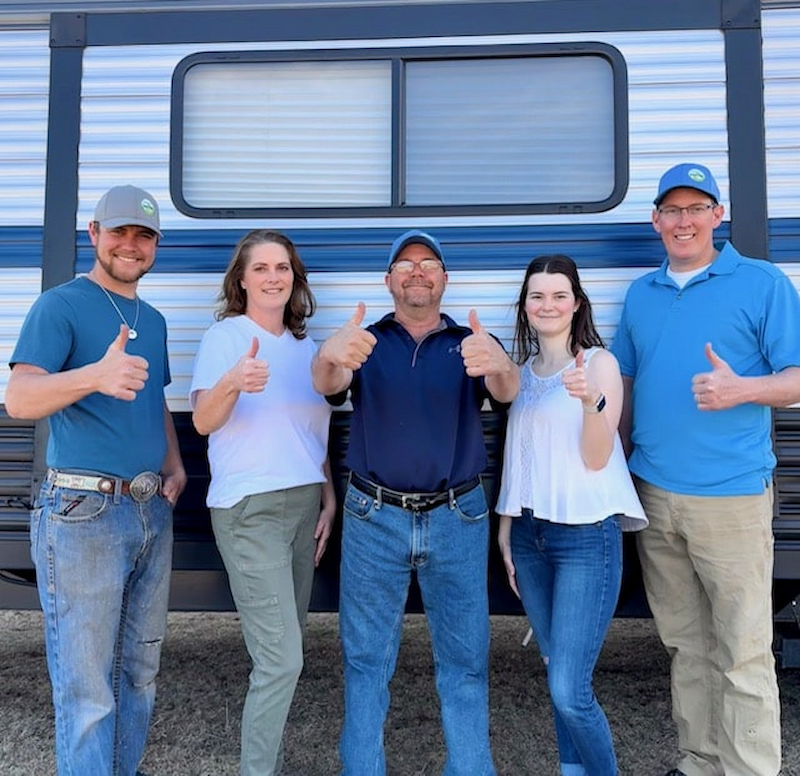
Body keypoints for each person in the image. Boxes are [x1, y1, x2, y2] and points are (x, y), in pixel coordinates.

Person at [611, 162, 800, 776]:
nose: (684, 221)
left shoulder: (762, 283)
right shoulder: (642, 293)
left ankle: (749, 770)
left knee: (742, 651)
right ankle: (700, 761)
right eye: (673, 210)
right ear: (656, 220)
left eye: (698, 209)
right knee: (686, 646)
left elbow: (797, 378)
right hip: (655, 495)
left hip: (731, 498)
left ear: (719, 216)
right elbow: (627, 385)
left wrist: (742, 390)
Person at [311, 229, 519, 776]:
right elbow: (327, 383)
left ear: (444, 279)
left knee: (466, 663)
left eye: (429, 263)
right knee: (365, 662)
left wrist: (498, 362)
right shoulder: (365, 341)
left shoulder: (471, 342)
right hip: (373, 517)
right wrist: (330, 355)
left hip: (458, 516)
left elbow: (508, 392)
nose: (417, 271)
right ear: (389, 281)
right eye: (404, 264)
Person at [5, 185, 187, 776]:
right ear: (94, 235)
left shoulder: (152, 320)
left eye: (144, 235)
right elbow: (20, 397)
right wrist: (93, 374)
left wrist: (173, 461)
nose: (131, 245)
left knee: (138, 674)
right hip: (82, 511)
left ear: (156, 244)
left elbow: (152, 399)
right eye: (120, 232)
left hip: (148, 510)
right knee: (87, 692)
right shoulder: (59, 306)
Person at [189, 229, 336, 776]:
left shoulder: (306, 349)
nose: (273, 277)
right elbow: (204, 420)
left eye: (283, 267)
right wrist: (232, 382)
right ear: (242, 279)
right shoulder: (226, 338)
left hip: (302, 508)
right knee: (281, 660)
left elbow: (309, 438)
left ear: (294, 277)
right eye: (261, 268)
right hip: (250, 510)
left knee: (285, 652)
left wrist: (327, 497)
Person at [495, 254, 648, 776]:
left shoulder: (597, 364)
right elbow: (521, 457)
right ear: (525, 306)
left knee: (568, 686)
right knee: (552, 668)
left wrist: (590, 403)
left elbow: (597, 456)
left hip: (586, 539)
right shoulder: (523, 375)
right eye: (537, 295)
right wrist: (506, 529)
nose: (548, 304)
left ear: (577, 303)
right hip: (530, 537)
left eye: (559, 295)